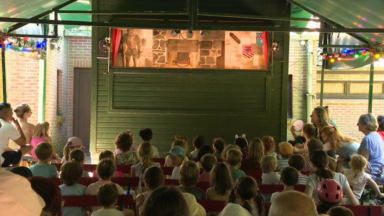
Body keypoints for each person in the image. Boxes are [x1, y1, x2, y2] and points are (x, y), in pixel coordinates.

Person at [0, 102, 32, 167]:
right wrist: (18, 126)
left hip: (3, 155)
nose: (12, 116)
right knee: (29, 147)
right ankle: (15, 168)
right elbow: (23, 143)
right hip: (1, 160)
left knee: (12, 151)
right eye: (11, 114)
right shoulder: (7, 126)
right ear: (6, 114)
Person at [357, 114, 384, 179]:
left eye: (359, 123)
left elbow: (363, 162)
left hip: (371, 174)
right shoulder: (377, 135)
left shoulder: (367, 139)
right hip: (379, 172)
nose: (357, 125)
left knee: (343, 176)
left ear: (366, 125)